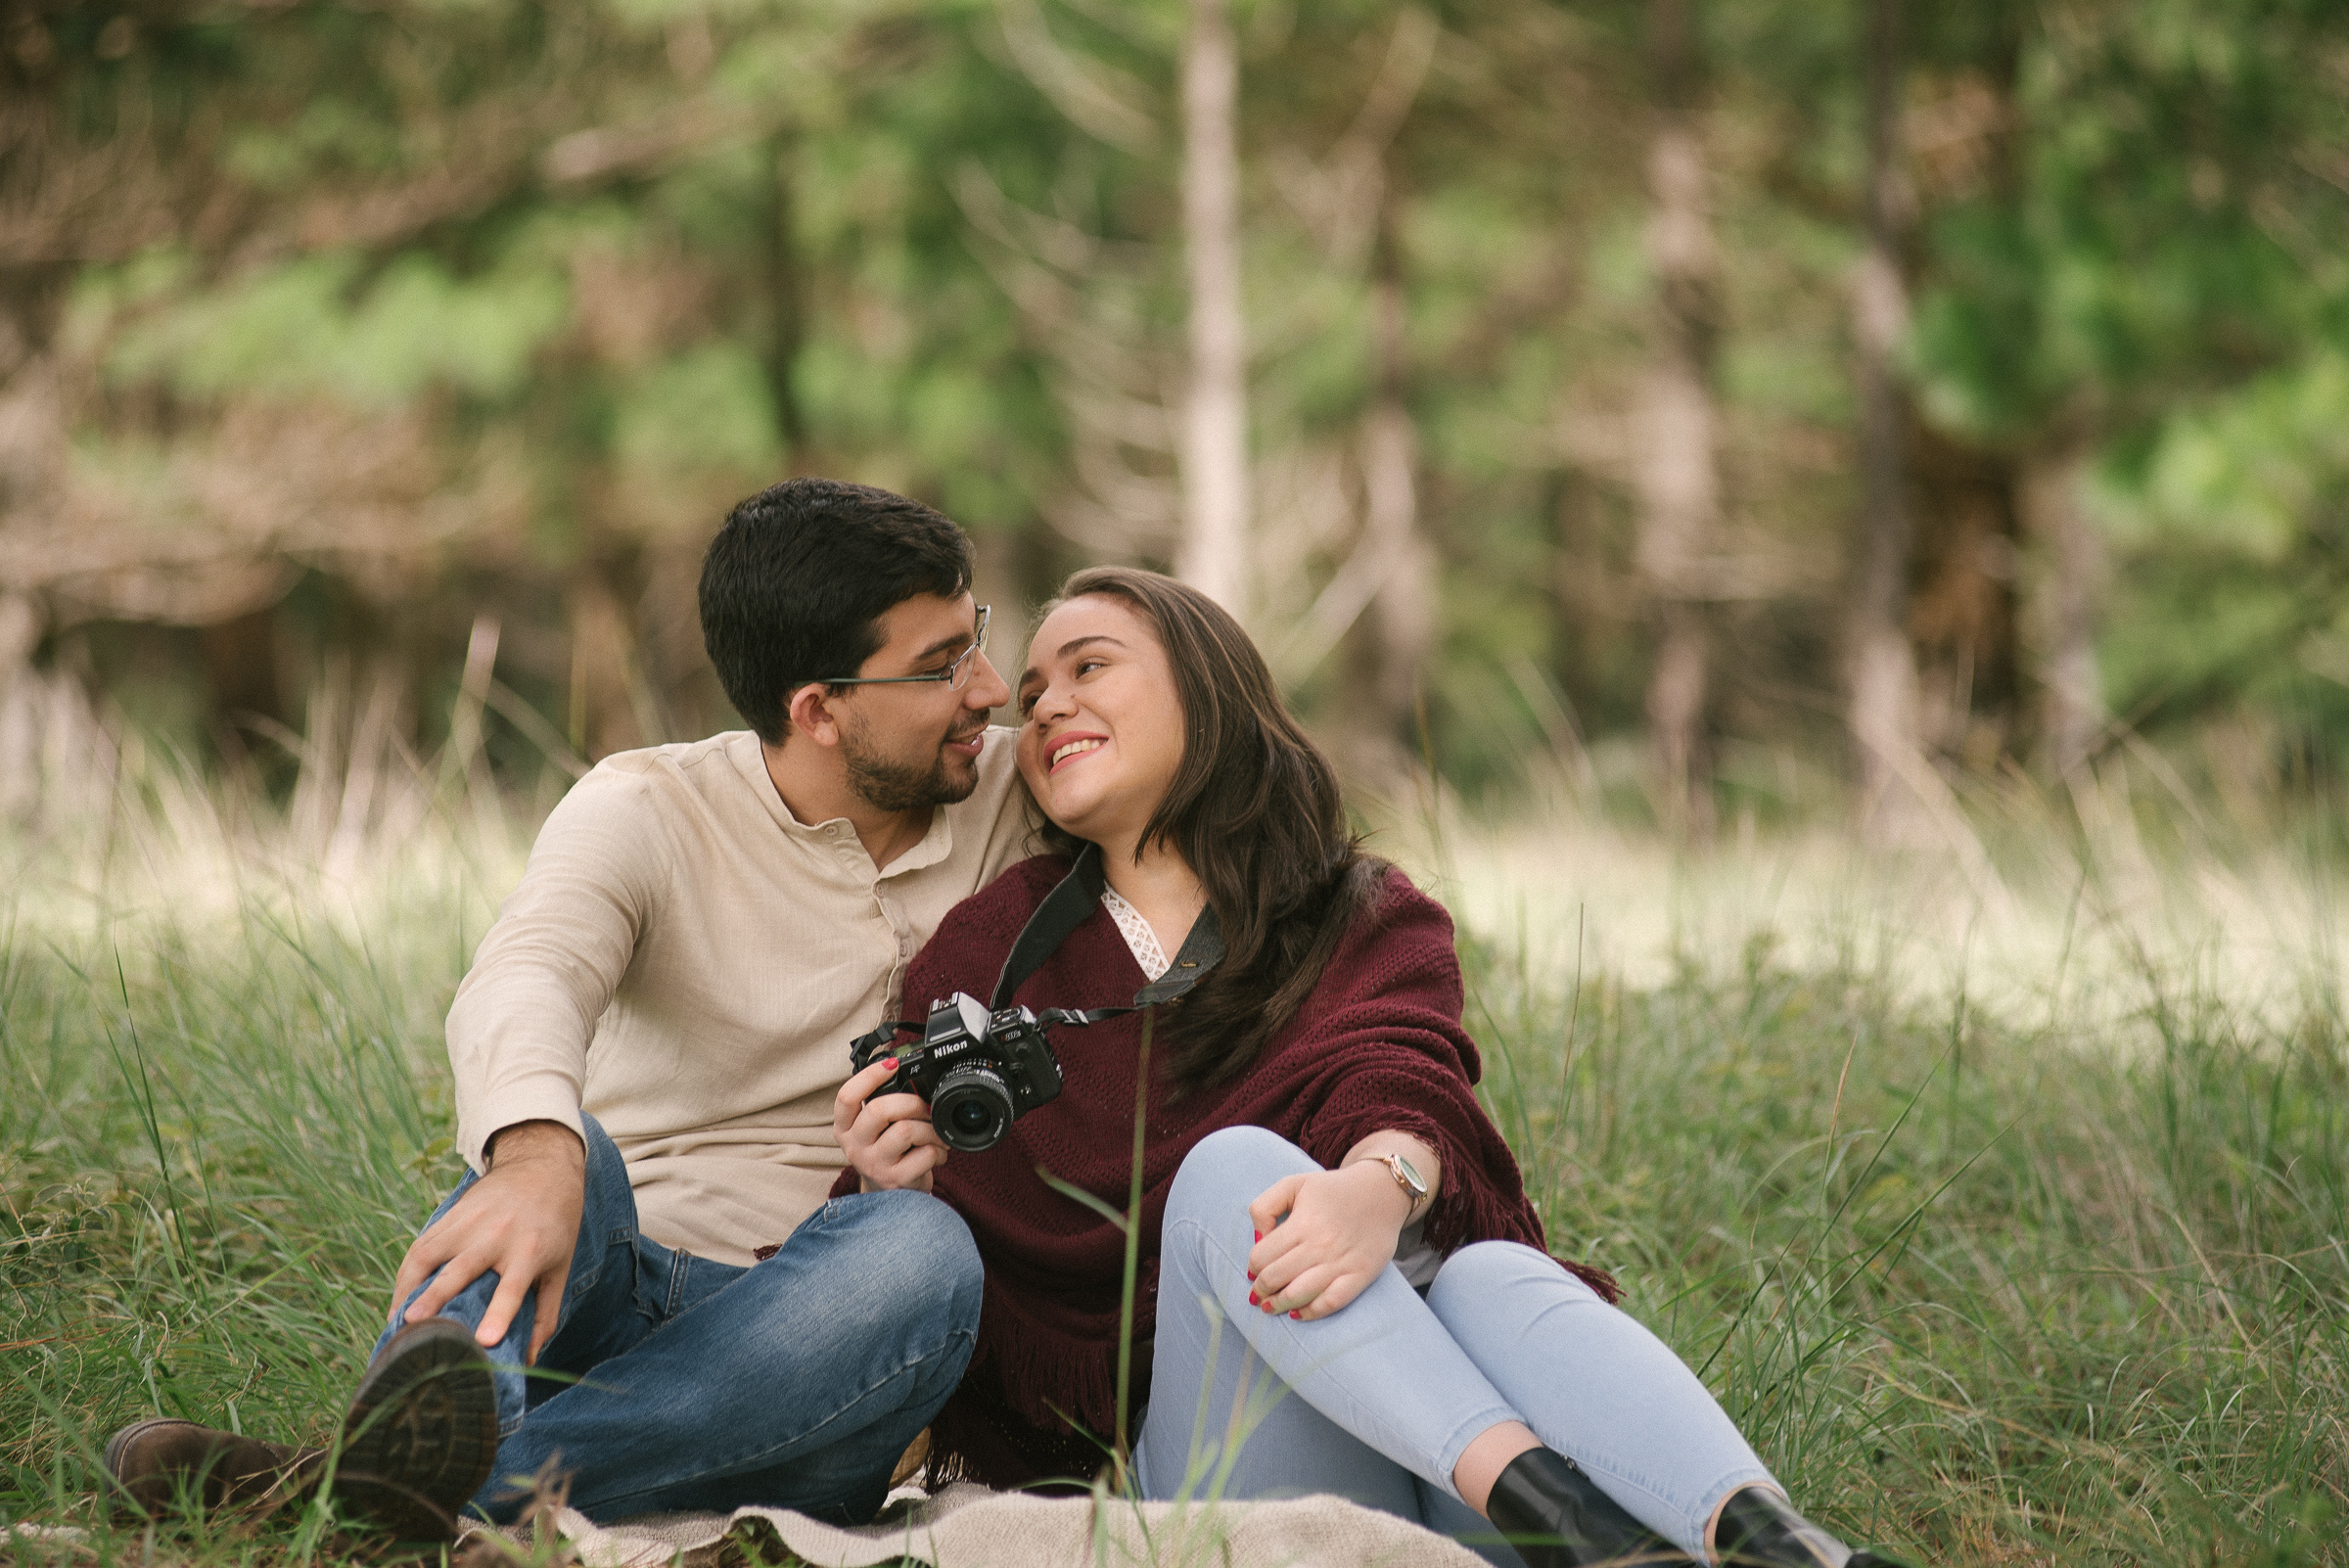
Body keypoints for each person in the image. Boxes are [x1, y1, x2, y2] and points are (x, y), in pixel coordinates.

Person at [831, 567, 1912, 1568]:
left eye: (1090, 665)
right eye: (1032, 689)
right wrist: (890, 1194)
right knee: (1233, 1172)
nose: (1047, 704)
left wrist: (1375, 1188)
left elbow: (1401, 1076)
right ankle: (1582, 1526)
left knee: (1484, 1271)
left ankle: (1791, 1551)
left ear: (1206, 689)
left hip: (1426, 1474)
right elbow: (888, 1292)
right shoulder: (993, 953)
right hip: (1222, 1487)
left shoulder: (1355, 912)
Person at [103, 479, 1037, 1538]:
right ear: (816, 711)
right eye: (941, 666)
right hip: (597, 1287)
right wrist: (535, 1151)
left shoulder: (1021, 791)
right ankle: (435, 1479)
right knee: (564, 1152)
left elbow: (1221, 783)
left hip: (807, 1350)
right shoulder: (648, 806)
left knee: (919, 1253)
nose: (991, 688)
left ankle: (336, 1493)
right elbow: (528, 971)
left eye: (975, 638)